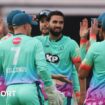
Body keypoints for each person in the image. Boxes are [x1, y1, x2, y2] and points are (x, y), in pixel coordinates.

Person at [0, 12, 64, 105]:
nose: (31, 28)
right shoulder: (35, 42)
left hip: (10, 91)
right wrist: (51, 90)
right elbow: (42, 69)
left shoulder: (3, 44)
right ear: (26, 26)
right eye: (30, 25)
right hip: (29, 89)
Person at [36, 10, 85, 105]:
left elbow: (80, 72)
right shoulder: (38, 42)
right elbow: (22, 40)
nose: (58, 25)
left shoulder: (71, 44)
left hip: (64, 97)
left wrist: (81, 94)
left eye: (61, 22)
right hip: (43, 96)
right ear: (48, 23)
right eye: (54, 22)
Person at [79, 15, 105, 104]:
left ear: (102, 29)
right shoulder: (95, 47)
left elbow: (82, 73)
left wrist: (87, 38)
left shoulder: (95, 48)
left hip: (97, 100)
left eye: (99, 26)